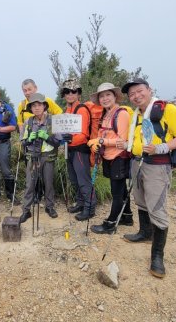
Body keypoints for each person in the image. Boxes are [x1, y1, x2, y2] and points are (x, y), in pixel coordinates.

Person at [121, 78, 176, 278]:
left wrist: (160, 148)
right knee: (140, 201)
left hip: (157, 166)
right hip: (136, 162)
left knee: (157, 208)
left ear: (149, 90)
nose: (135, 96)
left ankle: (157, 256)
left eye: (139, 91)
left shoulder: (167, 109)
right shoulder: (137, 114)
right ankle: (145, 233)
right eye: (131, 94)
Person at [88, 83, 134, 234]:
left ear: (115, 96)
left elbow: (122, 141)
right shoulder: (106, 114)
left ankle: (110, 223)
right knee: (121, 189)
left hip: (118, 157)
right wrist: (98, 142)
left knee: (116, 192)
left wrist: (101, 141)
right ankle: (126, 216)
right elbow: (105, 135)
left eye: (108, 95)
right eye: (102, 96)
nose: (105, 98)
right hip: (108, 156)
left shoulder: (121, 114)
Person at [19, 93, 61, 223]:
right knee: (30, 184)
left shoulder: (53, 121)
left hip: (48, 157)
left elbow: (58, 142)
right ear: (30, 108)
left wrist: (47, 137)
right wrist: (29, 139)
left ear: (44, 106)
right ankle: (26, 211)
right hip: (33, 156)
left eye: (39, 105)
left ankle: (50, 207)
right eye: (33, 105)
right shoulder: (28, 122)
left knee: (48, 183)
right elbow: (23, 142)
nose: (36, 108)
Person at [60, 78, 96, 221]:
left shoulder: (81, 109)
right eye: (67, 92)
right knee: (75, 180)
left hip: (80, 150)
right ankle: (81, 203)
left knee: (83, 180)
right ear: (64, 94)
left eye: (73, 91)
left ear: (78, 94)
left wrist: (69, 139)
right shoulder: (68, 110)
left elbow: (83, 135)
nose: (70, 94)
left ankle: (90, 208)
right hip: (71, 149)